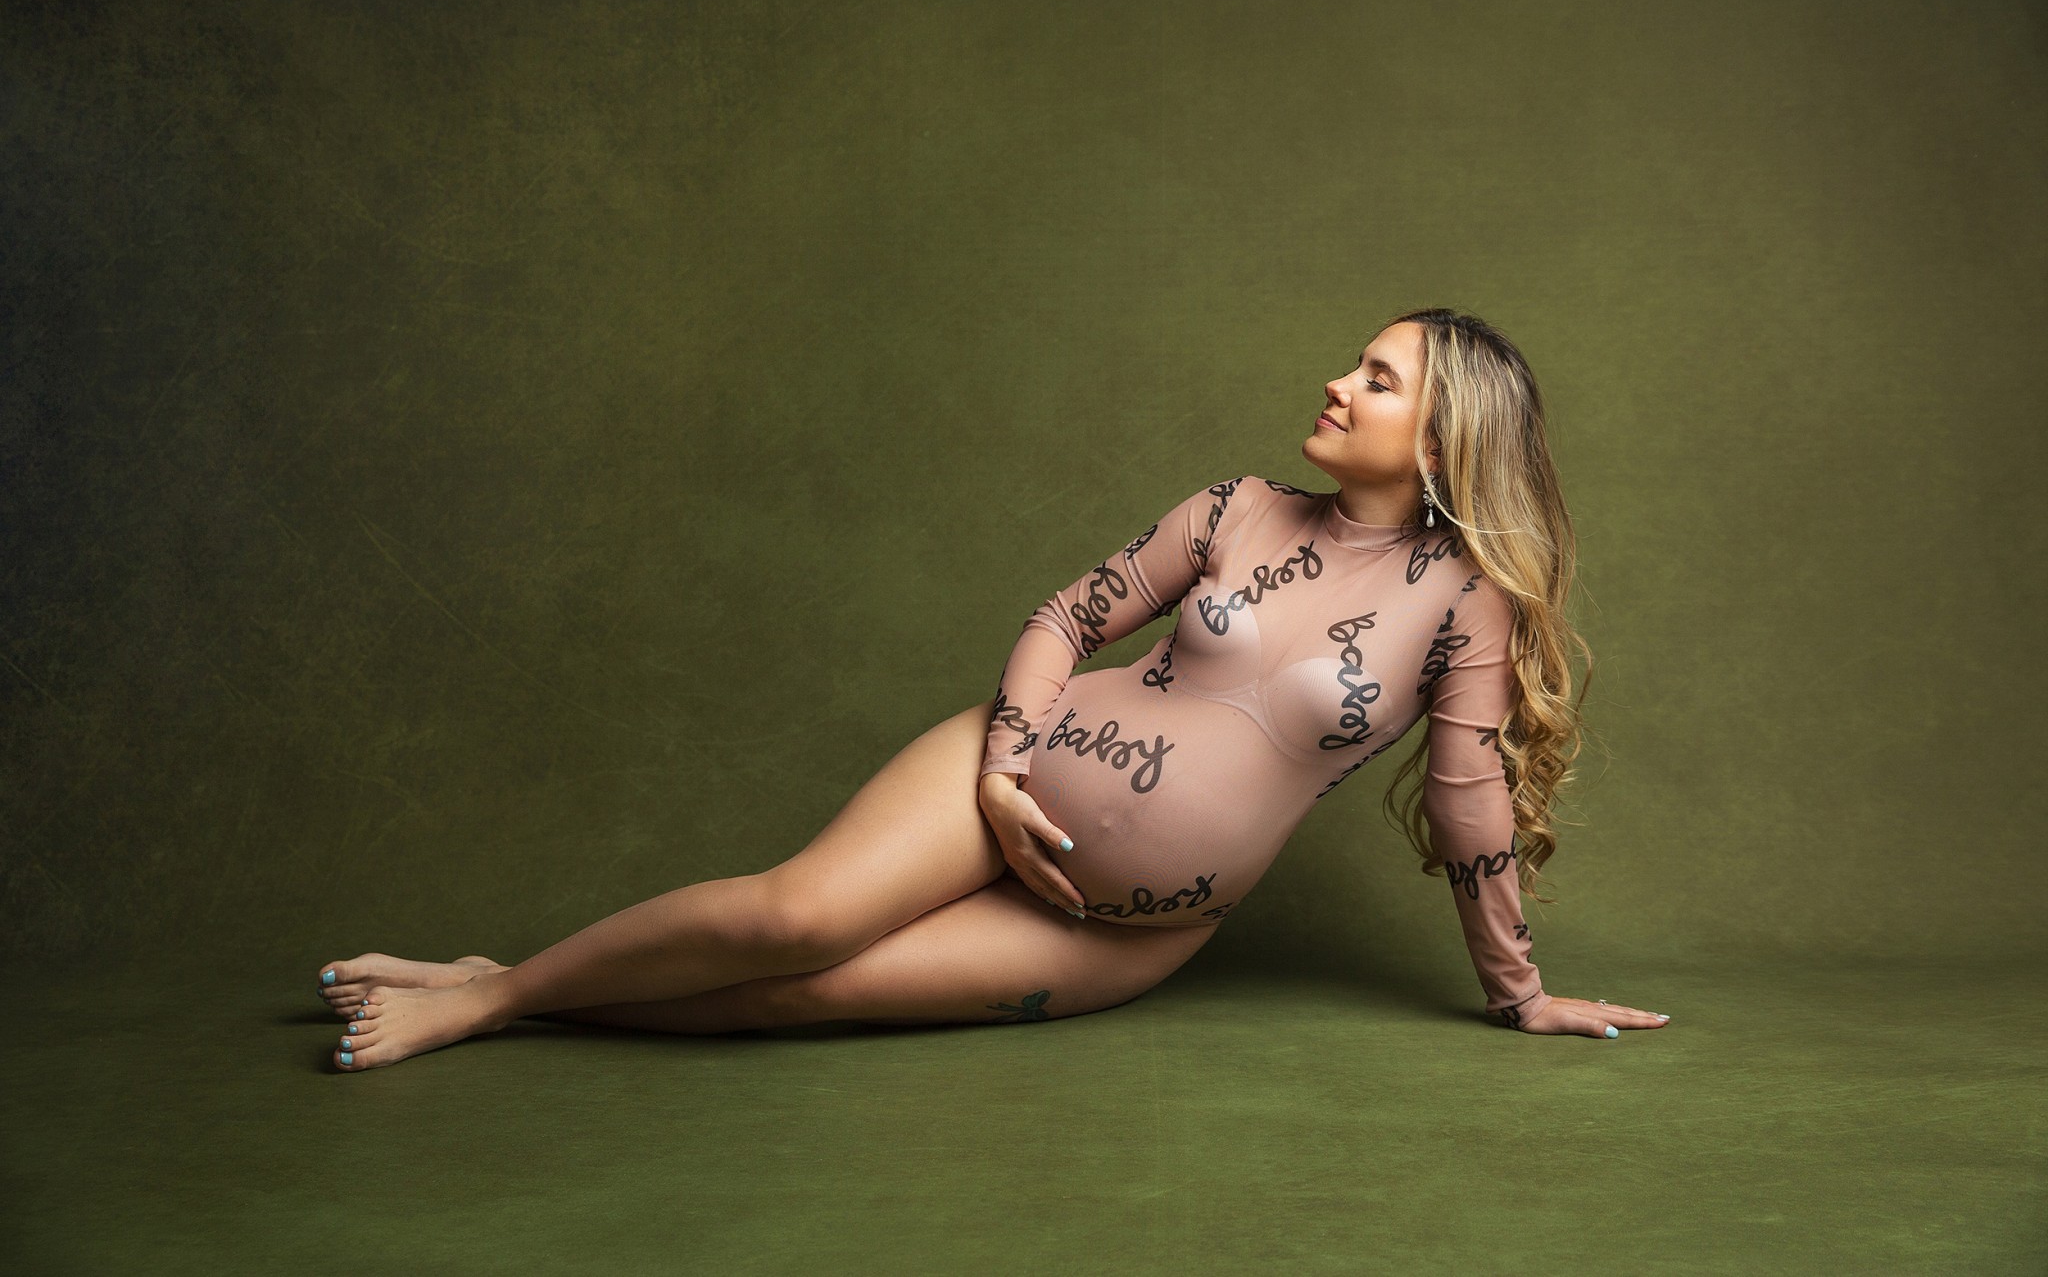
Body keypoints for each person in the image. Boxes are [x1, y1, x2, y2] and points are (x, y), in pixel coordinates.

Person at [316, 307, 1670, 1072]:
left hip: (1124, 928)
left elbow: (1470, 796)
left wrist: (1517, 990)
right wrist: (1004, 771)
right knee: (796, 915)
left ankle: (511, 986)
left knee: (803, 1001)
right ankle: (484, 997)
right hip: (1008, 774)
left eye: (1376, 378)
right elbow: (1064, 616)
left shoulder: (1464, 601)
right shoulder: (1237, 506)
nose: (1335, 376)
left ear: (1443, 438)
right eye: (1354, 358)